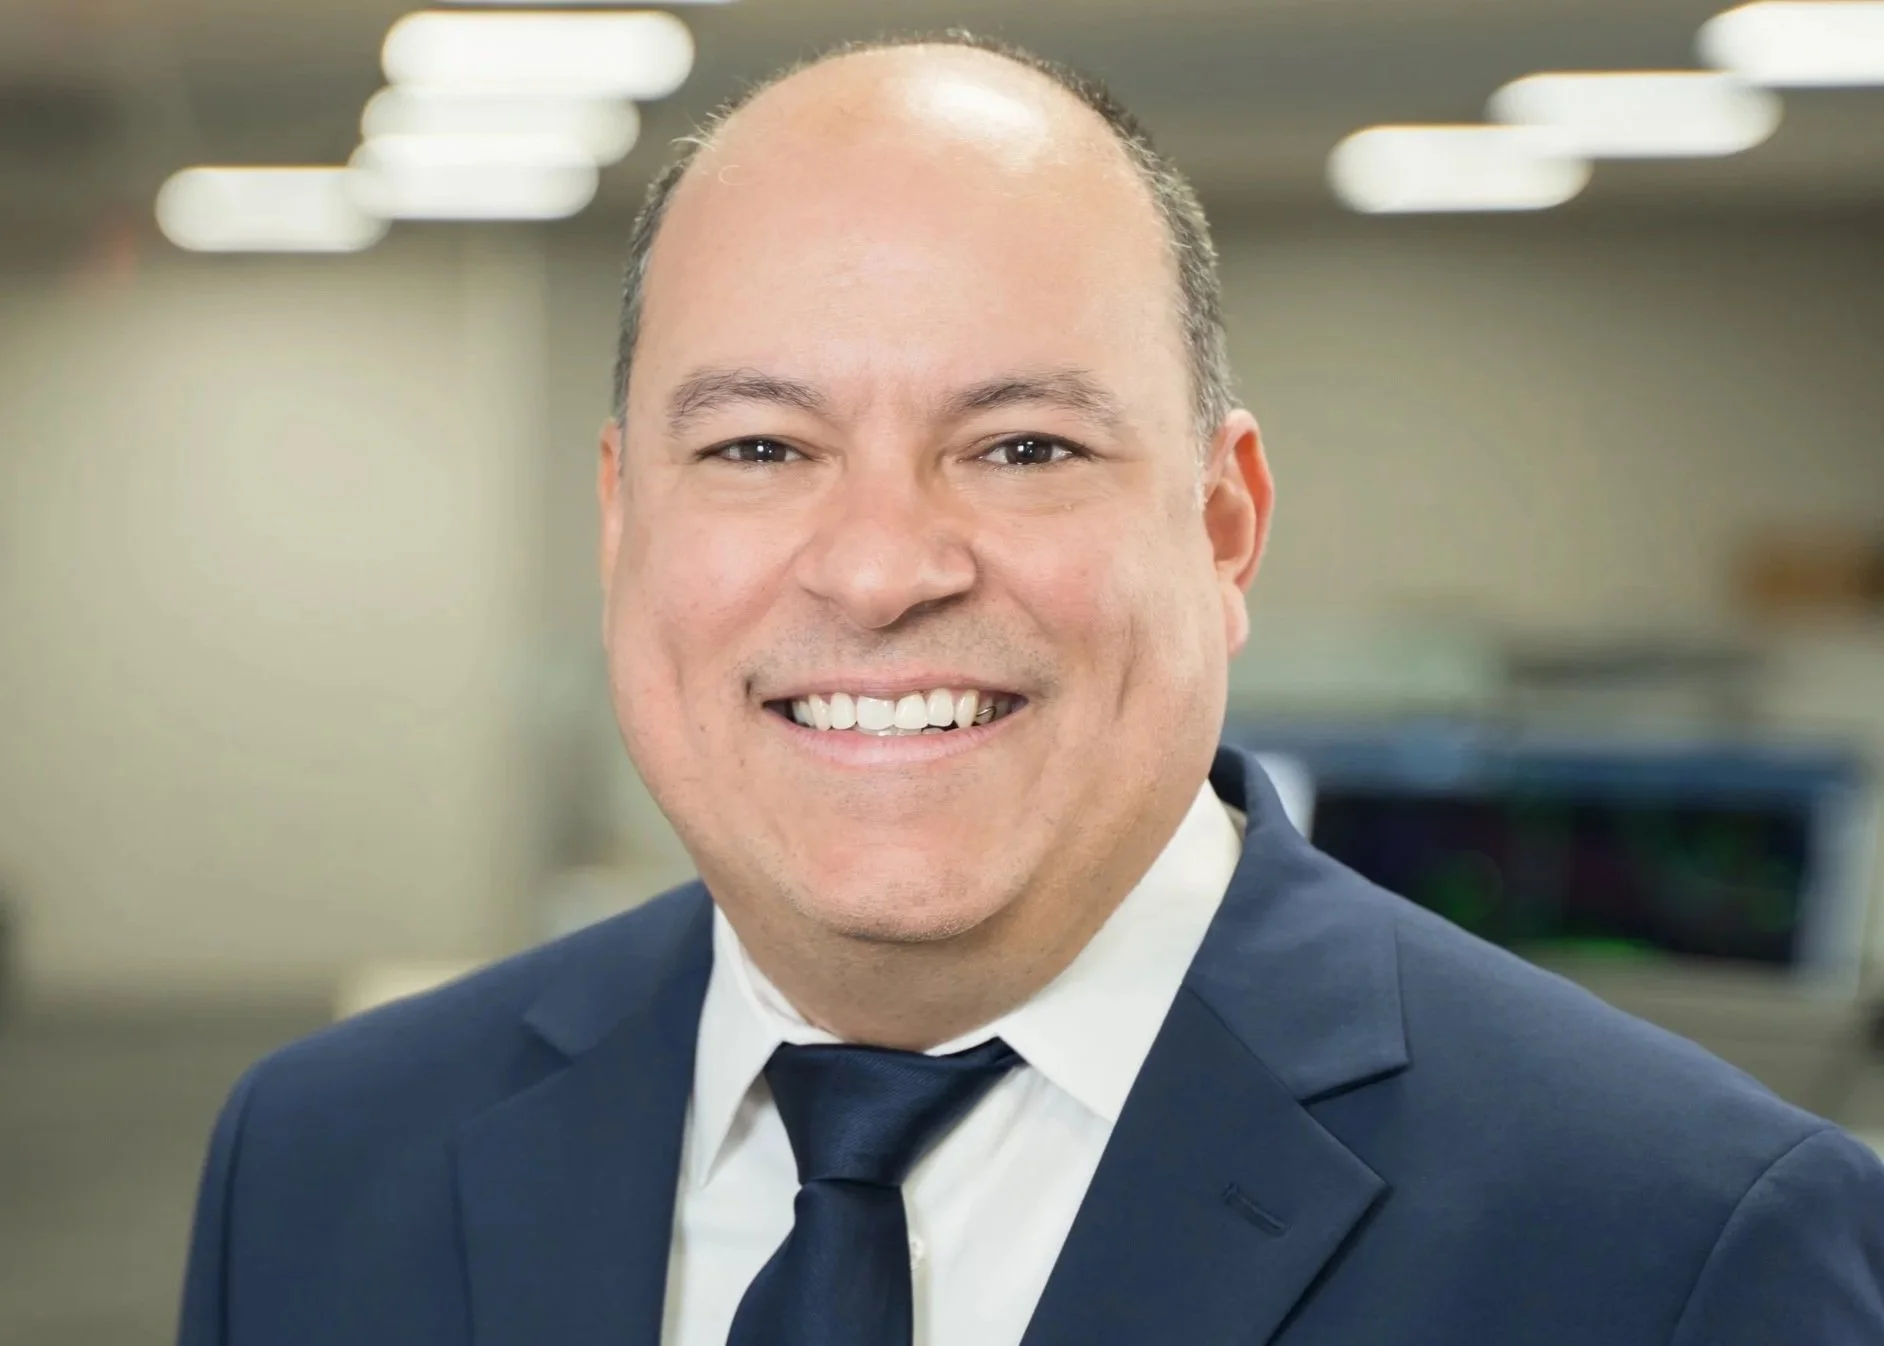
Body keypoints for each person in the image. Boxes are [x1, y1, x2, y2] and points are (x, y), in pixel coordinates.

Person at [177, 33, 1884, 1346]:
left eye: (1023, 444)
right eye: (760, 445)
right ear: (624, 515)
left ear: (1223, 524)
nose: (879, 564)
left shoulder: (1687, 1244)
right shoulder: (324, 1162)